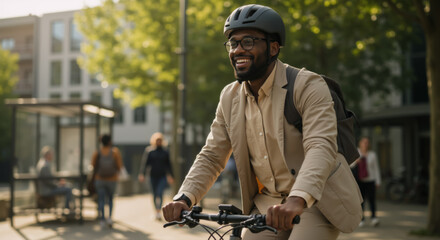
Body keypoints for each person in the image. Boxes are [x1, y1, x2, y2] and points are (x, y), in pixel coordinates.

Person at [162, 4, 362, 239]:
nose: (237, 50)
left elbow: (321, 146)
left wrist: (298, 199)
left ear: (273, 48)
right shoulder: (230, 97)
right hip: (268, 204)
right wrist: (185, 197)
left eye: (248, 42)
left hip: (316, 200)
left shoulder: (307, 86)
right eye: (233, 43)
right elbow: (212, 155)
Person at [138, 132, 174, 221]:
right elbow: (145, 164)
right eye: (157, 140)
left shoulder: (165, 152)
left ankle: (159, 210)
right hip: (152, 176)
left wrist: (171, 176)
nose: (158, 142)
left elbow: (169, 165)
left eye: (160, 140)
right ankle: (156, 212)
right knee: (154, 194)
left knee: (160, 192)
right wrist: (142, 174)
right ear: (154, 141)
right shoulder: (149, 151)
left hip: (162, 176)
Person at [91, 134, 123, 228]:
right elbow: (119, 166)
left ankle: (102, 220)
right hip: (112, 179)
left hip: (99, 179)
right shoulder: (115, 152)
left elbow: (93, 165)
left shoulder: (98, 152)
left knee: (101, 199)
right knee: (110, 199)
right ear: (110, 141)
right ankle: (109, 218)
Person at [352, 137, 381, 227]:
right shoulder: (356, 153)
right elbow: (349, 165)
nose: (365, 144)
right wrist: (356, 161)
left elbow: (376, 168)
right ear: (360, 143)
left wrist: (378, 181)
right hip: (360, 180)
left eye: (367, 142)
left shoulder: (372, 154)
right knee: (361, 201)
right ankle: (361, 219)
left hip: (370, 180)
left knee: (372, 199)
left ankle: (374, 218)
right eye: (364, 142)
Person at [36, 146, 74, 212]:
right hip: (47, 190)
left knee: (68, 186)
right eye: (51, 154)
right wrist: (58, 184)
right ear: (47, 155)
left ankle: (69, 208)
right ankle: (67, 209)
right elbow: (48, 182)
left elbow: (49, 180)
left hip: (48, 188)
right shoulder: (44, 165)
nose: (52, 156)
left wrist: (58, 183)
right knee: (68, 189)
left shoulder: (43, 163)